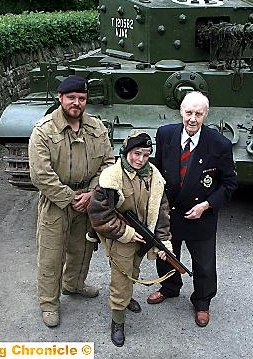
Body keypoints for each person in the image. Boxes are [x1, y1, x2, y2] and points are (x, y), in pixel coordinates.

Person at [28, 75, 115, 327]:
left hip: (88, 199)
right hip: (56, 202)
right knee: (51, 254)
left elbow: (108, 164)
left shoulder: (96, 128)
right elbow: (40, 175)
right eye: (71, 98)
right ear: (60, 98)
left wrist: (91, 194)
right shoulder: (43, 131)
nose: (76, 103)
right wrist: (70, 197)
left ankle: (74, 284)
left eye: (82, 98)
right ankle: (49, 303)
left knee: (82, 247)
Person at [146, 91, 237, 327]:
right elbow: (157, 171)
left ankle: (202, 302)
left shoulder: (219, 144)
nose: (193, 119)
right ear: (181, 112)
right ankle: (169, 287)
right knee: (166, 255)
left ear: (206, 114)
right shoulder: (165, 134)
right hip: (170, 212)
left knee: (204, 264)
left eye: (198, 113)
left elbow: (229, 183)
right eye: (189, 113)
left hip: (201, 215)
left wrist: (206, 205)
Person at [87, 130, 172, 347]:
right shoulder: (111, 178)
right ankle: (117, 321)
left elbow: (161, 212)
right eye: (136, 153)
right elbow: (99, 215)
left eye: (145, 154)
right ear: (126, 152)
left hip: (144, 237)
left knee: (134, 272)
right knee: (121, 279)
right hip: (122, 238)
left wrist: (164, 242)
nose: (140, 159)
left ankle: (126, 299)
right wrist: (125, 232)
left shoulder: (154, 177)